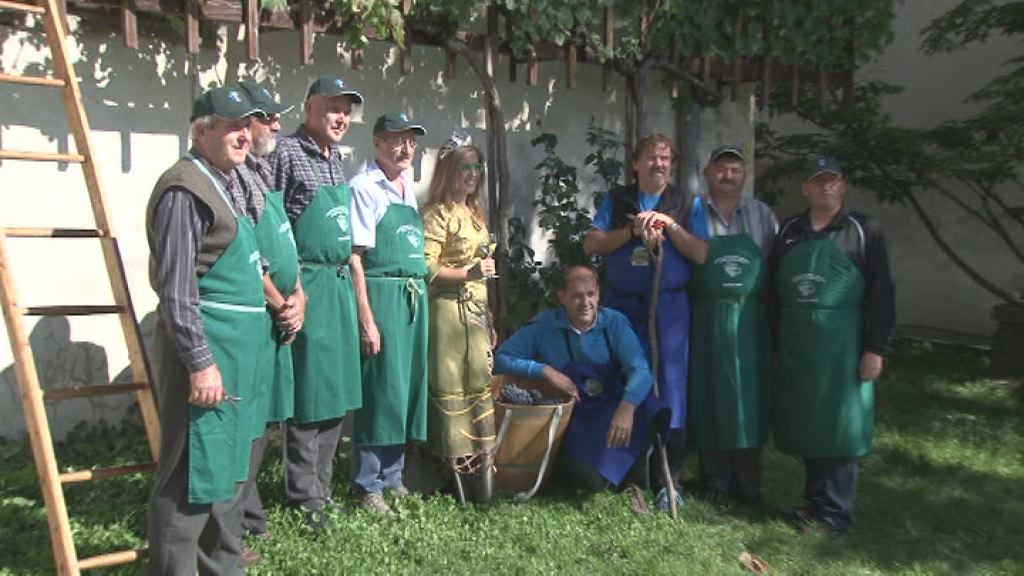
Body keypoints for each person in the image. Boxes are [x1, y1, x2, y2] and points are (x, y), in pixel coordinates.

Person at [145, 86, 265, 574]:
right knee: (190, 477)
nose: (243, 134)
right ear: (202, 129)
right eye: (232, 125)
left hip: (235, 355)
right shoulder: (185, 189)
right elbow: (176, 289)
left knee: (222, 473)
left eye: (246, 125)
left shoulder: (224, 182)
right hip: (208, 357)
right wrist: (200, 362)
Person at [770, 156, 895, 536]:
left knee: (840, 427)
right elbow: (774, 293)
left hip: (844, 345)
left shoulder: (863, 230)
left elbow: (882, 292)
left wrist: (877, 348)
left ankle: (836, 516)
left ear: (842, 185)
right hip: (799, 345)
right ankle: (814, 503)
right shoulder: (790, 230)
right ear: (806, 188)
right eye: (816, 181)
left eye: (832, 180)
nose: (824, 187)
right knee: (811, 423)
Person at [582, 133, 707, 495]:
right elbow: (592, 243)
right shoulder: (619, 199)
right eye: (652, 158)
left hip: (668, 310)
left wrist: (669, 226)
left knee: (670, 390)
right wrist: (633, 230)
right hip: (624, 308)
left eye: (666, 158)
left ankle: (669, 479)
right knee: (624, 382)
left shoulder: (685, 202)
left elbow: (700, 253)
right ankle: (626, 474)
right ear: (635, 163)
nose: (659, 164)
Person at [266, 75, 364, 528]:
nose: (341, 117)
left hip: (339, 285)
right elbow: (270, 221)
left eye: (346, 109)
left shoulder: (334, 161)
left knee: (336, 392)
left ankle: (321, 489)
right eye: (332, 107)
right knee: (310, 393)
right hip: (308, 284)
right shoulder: (287, 153)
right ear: (308, 109)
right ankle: (304, 496)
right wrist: (288, 288)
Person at [493, 265, 661, 491]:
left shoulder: (614, 323)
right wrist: (546, 371)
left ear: (599, 293)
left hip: (610, 407)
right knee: (588, 479)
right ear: (562, 297)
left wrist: (627, 407)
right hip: (575, 415)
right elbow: (502, 358)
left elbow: (640, 370)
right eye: (577, 296)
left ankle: (636, 479)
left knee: (647, 406)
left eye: (591, 294)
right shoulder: (545, 326)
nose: (585, 303)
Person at [229, 80, 302, 552]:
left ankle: (248, 514)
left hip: (280, 312)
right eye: (266, 116)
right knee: (244, 424)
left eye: (277, 116)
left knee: (264, 421)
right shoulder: (231, 179)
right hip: (255, 318)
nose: (276, 124)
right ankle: (228, 525)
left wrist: (300, 296)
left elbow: (283, 243)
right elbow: (246, 257)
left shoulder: (261, 174)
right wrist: (280, 302)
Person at [686, 145, 777, 504]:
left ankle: (749, 481)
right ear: (708, 173)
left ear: (744, 176)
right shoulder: (692, 211)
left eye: (735, 169)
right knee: (710, 393)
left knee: (750, 396)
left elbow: (775, 268)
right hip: (706, 317)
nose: (728, 175)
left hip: (751, 321)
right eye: (721, 168)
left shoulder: (764, 217)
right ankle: (714, 480)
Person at [349, 112, 429, 516]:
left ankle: (394, 476)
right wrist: (367, 317)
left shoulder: (406, 188)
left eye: (411, 142)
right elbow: (355, 257)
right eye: (397, 140)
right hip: (383, 297)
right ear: (378, 142)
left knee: (404, 388)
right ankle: (367, 484)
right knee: (379, 389)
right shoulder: (364, 188)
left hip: (413, 298)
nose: (405, 148)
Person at [420, 131, 497, 503]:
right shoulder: (437, 215)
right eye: (464, 167)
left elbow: (483, 273)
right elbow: (427, 267)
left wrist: (490, 318)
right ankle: (453, 477)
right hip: (448, 314)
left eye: (477, 167)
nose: (472, 174)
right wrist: (468, 274)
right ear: (448, 170)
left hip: (477, 312)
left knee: (478, 384)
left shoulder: (476, 213)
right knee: (453, 390)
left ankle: (480, 479)